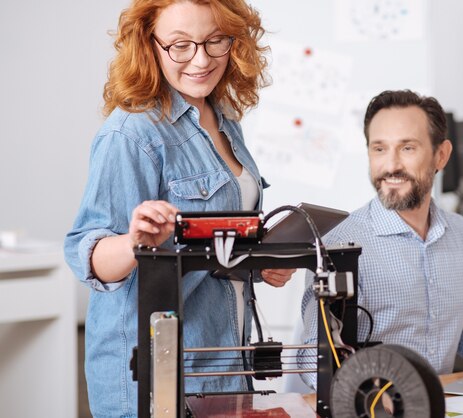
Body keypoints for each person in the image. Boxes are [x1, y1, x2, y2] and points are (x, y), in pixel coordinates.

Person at [64, 1, 294, 416]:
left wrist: (259, 263)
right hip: (158, 375)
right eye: (180, 46)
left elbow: (214, 244)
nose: (201, 60)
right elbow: (89, 255)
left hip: (224, 361)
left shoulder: (224, 120)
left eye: (214, 41)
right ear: (149, 46)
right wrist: (134, 240)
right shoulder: (130, 133)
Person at [299, 90, 463, 388]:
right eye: (379, 149)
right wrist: (367, 390)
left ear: (441, 155)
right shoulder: (337, 242)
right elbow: (310, 358)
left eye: (407, 148)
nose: (391, 165)